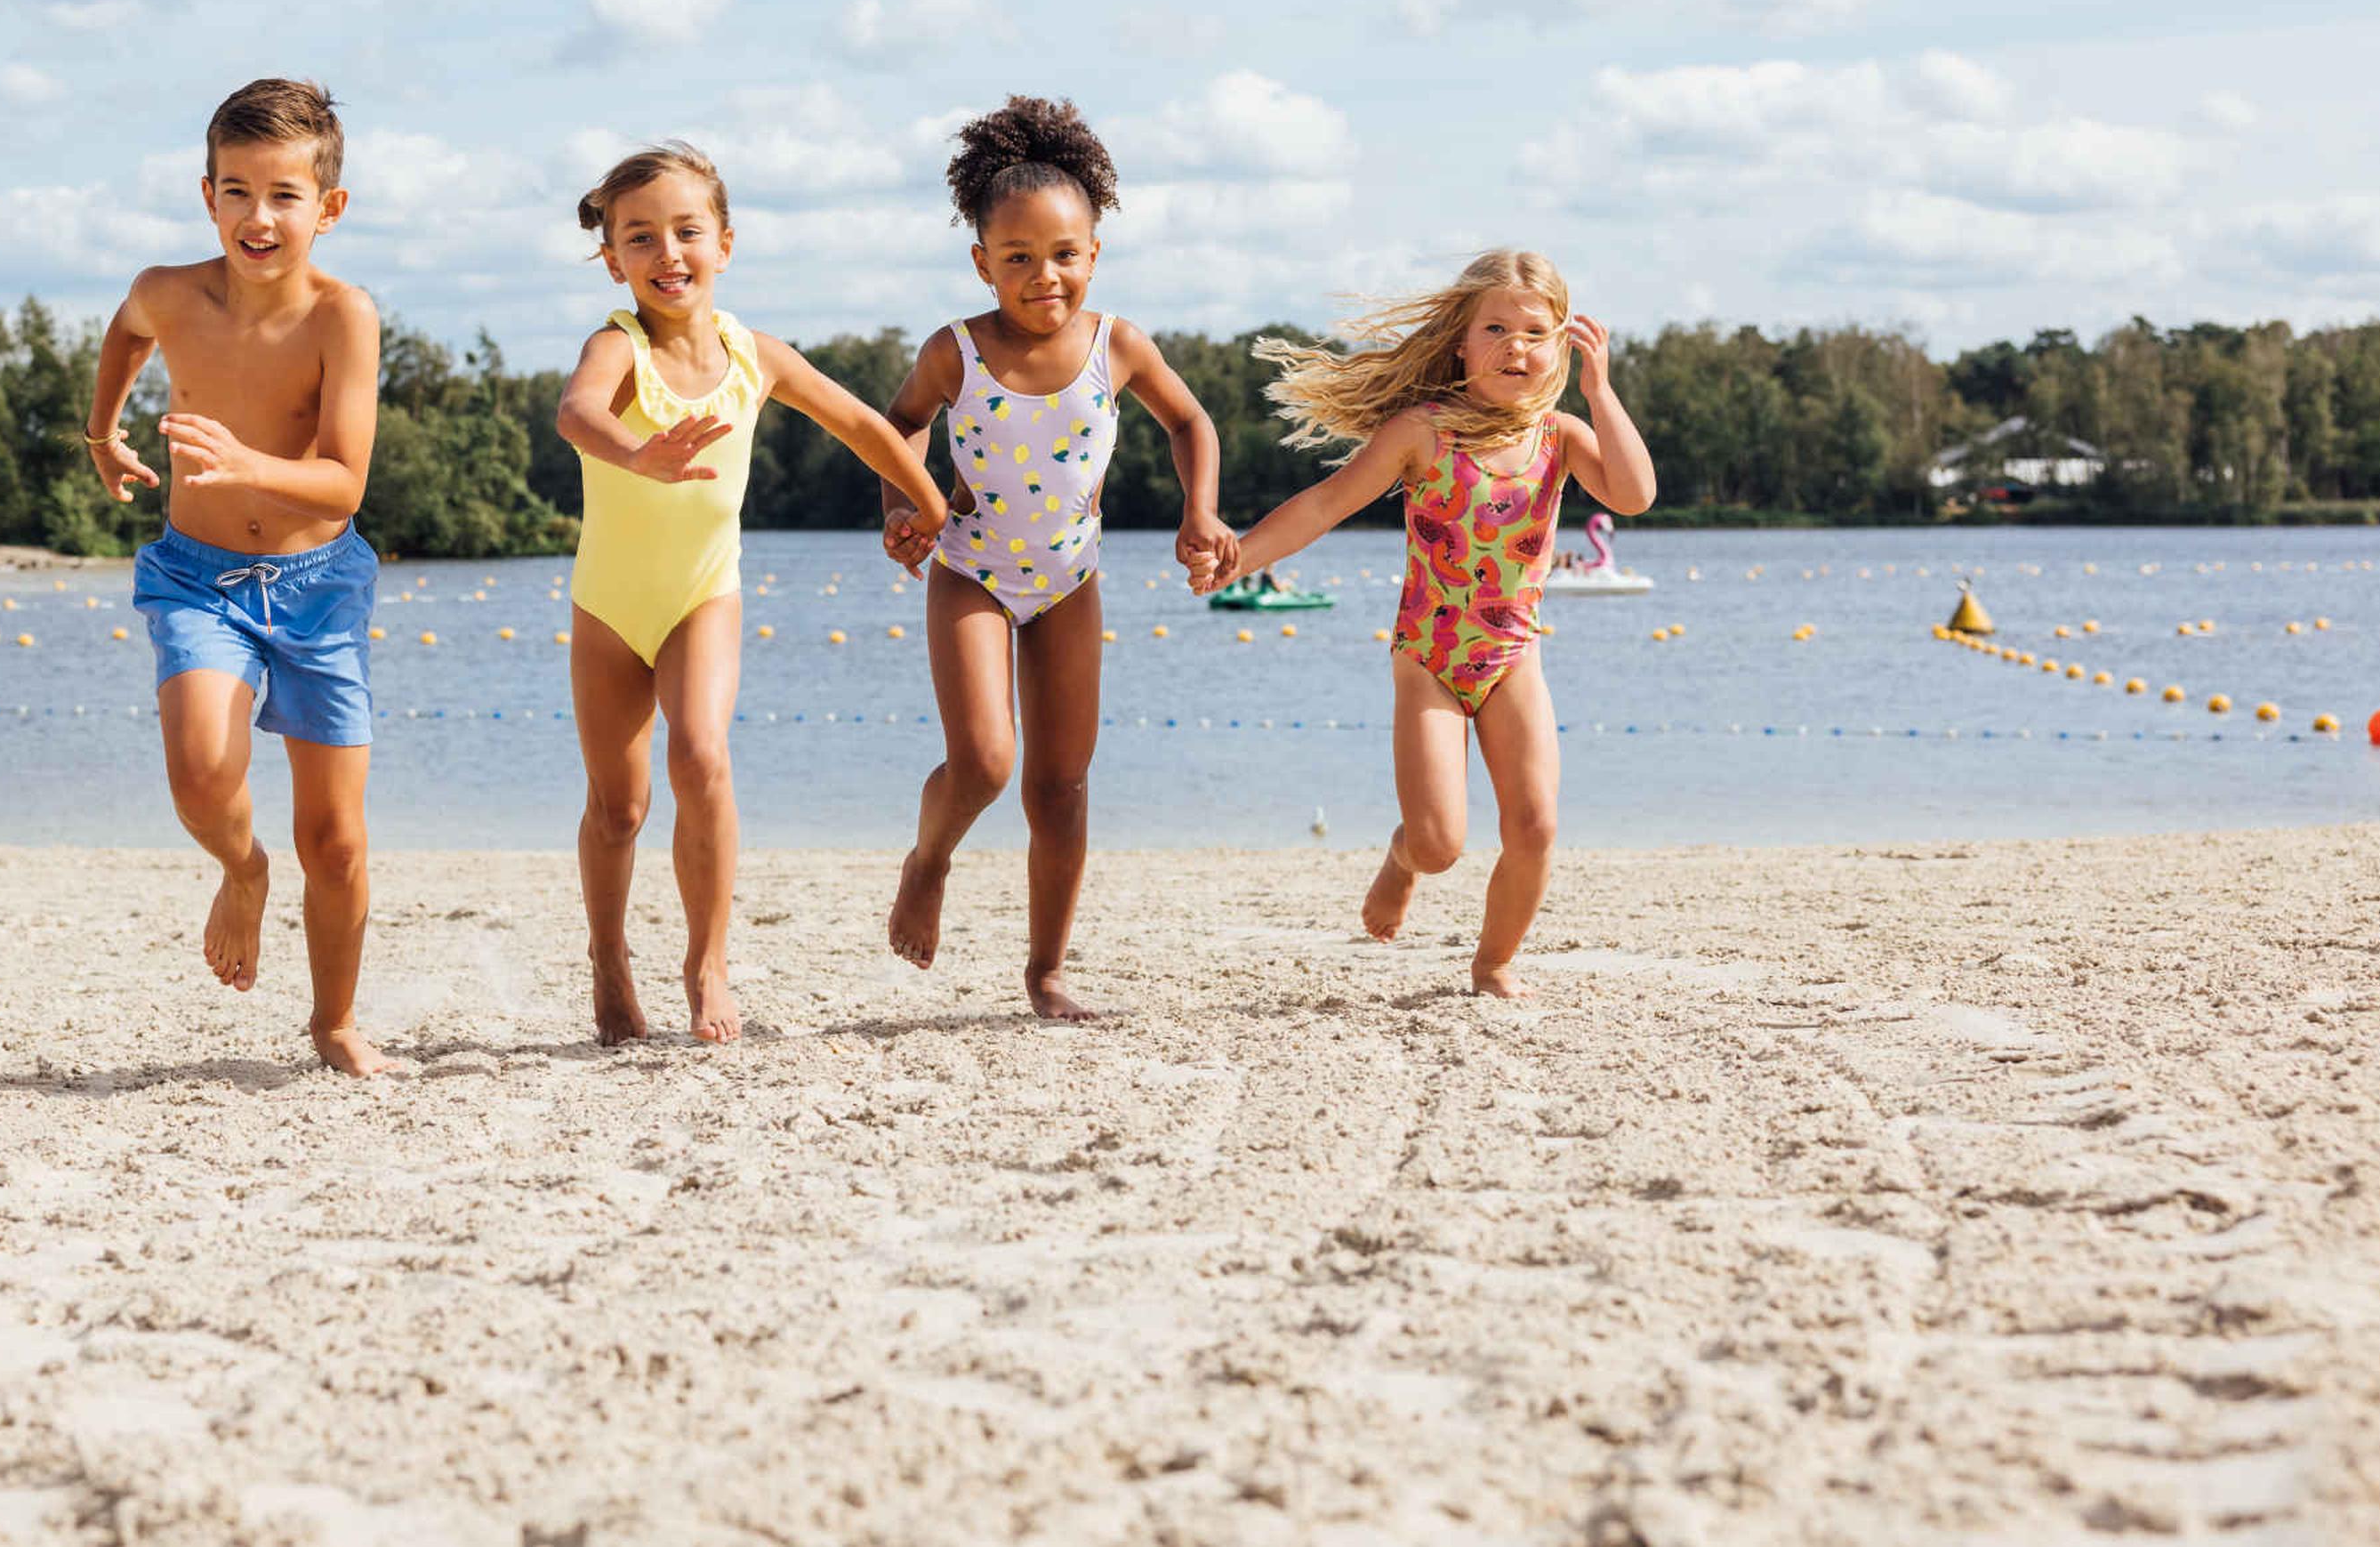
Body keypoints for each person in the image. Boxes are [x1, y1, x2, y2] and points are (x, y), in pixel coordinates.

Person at [558, 142, 949, 1045]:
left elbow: (865, 426)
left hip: (704, 594)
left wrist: (930, 506)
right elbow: (576, 413)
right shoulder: (615, 347)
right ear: (613, 260)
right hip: (609, 608)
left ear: (724, 244)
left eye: (686, 232)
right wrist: (638, 455)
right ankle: (609, 960)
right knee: (618, 807)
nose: (667, 254)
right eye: (640, 238)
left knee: (700, 755)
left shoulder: (757, 356)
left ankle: (707, 964)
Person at [1193, 249, 1656, 998]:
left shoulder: (1561, 437)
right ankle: (1402, 859)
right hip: (1430, 660)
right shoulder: (1421, 431)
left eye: (1535, 332)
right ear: (1461, 344)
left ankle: (1492, 963)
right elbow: (1325, 505)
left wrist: (1600, 392)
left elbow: (1634, 496)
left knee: (1536, 827)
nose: (1515, 346)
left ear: (1561, 347)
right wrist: (1239, 558)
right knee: (1439, 844)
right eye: (1495, 329)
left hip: (1513, 659)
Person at [879, 96, 1236, 1019]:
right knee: (985, 763)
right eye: (1019, 258)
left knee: (1062, 786)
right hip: (972, 574)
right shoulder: (956, 352)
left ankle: (1045, 973)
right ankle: (929, 861)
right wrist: (906, 504)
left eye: (1065, 254)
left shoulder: (1119, 346)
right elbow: (900, 424)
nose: (1046, 276)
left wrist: (1199, 508)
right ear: (982, 263)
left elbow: (1191, 422)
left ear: (1095, 254)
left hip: (1071, 583)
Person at [83, 79, 393, 1076]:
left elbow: (345, 483)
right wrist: (102, 433)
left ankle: (334, 1022)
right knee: (200, 774)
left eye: (284, 195)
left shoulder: (343, 317)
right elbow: (127, 330)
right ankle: (242, 869)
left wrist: (250, 464)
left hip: (319, 587)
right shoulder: (170, 292)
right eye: (237, 191)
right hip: (198, 577)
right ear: (207, 195)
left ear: (328, 207)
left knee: (334, 840)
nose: (259, 217)